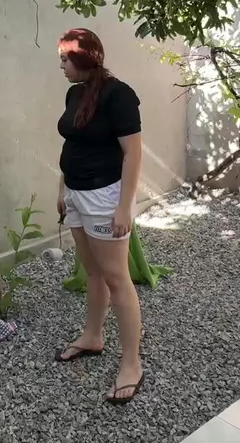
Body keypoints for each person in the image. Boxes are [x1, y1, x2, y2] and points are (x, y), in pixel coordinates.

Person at [53, 28, 146, 405]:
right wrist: (62, 188)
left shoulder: (118, 95)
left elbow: (133, 154)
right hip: (76, 193)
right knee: (93, 272)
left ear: (84, 58)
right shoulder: (76, 93)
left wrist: (124, 206)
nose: (61, 66)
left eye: (65, 59)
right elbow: (72, 142)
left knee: (117, 278)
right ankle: (93, 336)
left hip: (104, 196)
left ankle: (132, 364)